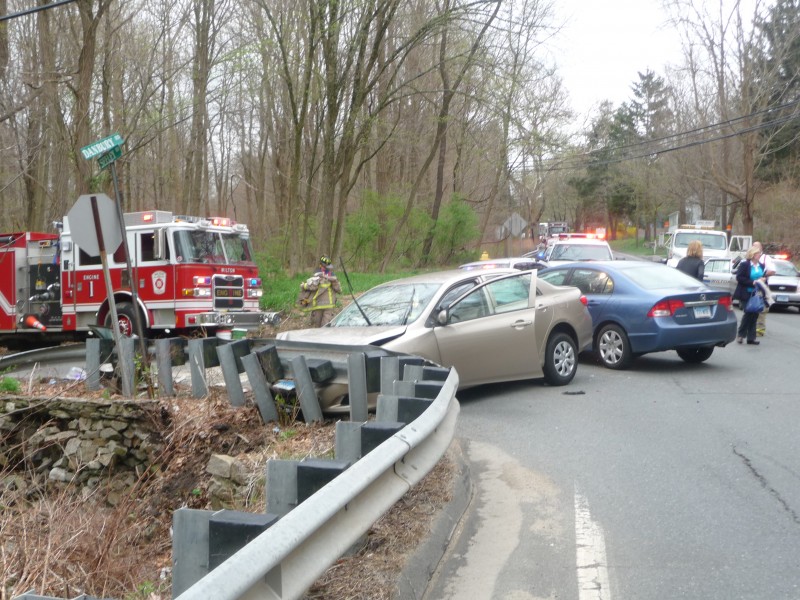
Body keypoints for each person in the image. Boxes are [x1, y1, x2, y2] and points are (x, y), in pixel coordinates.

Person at [733, 246, 767, 345]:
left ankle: (751, 338)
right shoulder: (745, 265)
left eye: (760, 253)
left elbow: (763, 276)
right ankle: (740, 335)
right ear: (752, 255)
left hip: (757, 293)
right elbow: (739, 277)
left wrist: (763, 279)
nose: (759, 255)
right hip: (746, 292)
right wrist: (752, 282)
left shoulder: (761, 265)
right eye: (757, 254)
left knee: (755, 314)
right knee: (748, 313)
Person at [297, 255, 342, 327]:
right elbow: (339, 290)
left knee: (317, 325)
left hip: (318, 304)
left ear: (320, 265)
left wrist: (303, 285)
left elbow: (313, 287)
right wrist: (334, 281)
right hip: (330, 305)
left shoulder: (317, 275)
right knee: (326, 325)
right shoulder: (333, 276)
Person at [751, 241, 776, 336]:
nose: (755, 248)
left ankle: (759, 330)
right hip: (750, 287)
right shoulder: (748, 259)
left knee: (761, 308)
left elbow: (772, 270)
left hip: (761, 287)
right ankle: (749, 328)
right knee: (750, 308)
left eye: (757, 247)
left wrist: (763, 276)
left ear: (761, 248)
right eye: (753, 246)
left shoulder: (766, 258)